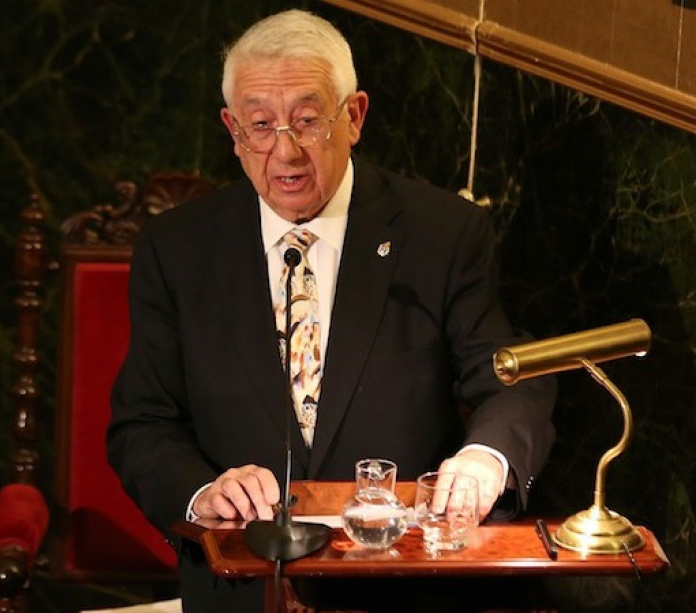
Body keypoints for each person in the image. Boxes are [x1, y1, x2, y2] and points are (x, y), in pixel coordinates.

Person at [106, 9, 556, 612]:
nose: (285, 152)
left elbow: (513, 381)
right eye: (260, 125)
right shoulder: (178, 250)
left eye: (308, 121)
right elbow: (143, 424)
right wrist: (203, 491)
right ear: (232, 130)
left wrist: (485, 460)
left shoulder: (441, 234)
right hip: (243, 587)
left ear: (355, 116)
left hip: (400, 587)